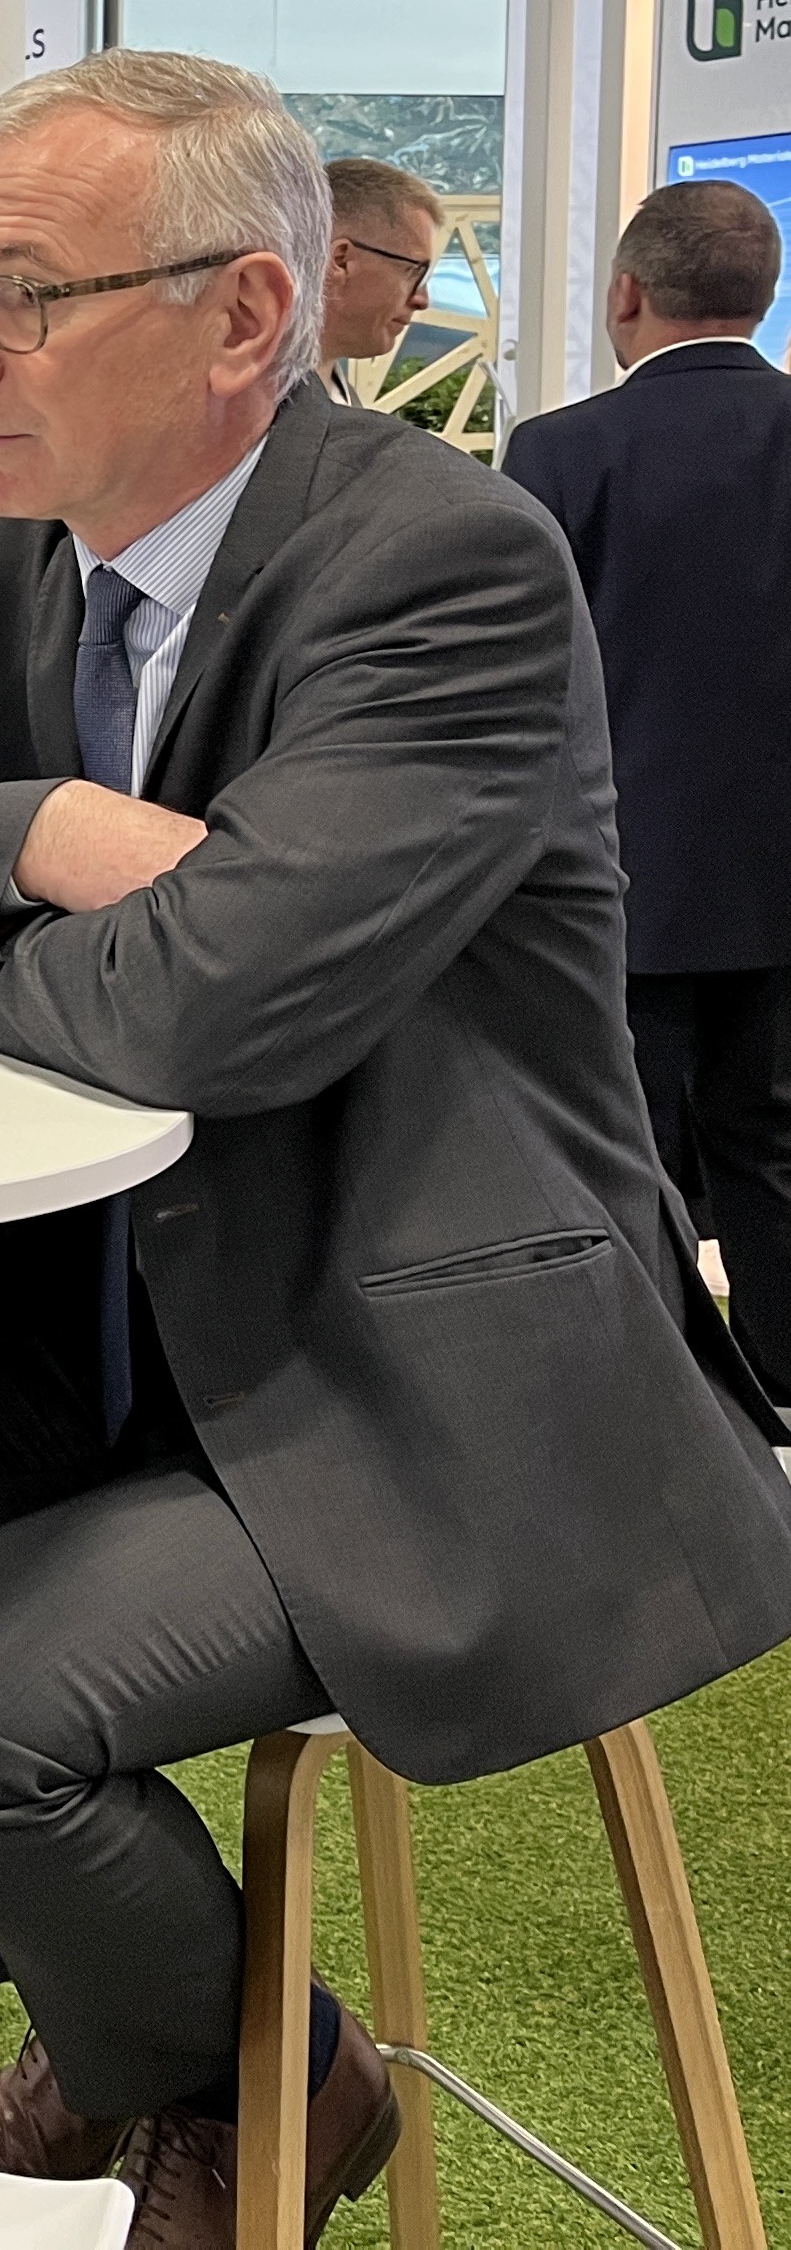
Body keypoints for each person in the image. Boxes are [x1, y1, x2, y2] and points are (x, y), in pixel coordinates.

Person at [0, 51, 791, 2250]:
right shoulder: (27, 556)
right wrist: (47, 829)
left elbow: (205, 1011)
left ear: (246, 318)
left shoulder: (448, 563)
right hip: (125, 1318)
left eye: (18, 297)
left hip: (422, 1370)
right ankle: (239, 2059)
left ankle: (211, 2102)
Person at [504, 177, 791, 1406]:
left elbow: (513, 675)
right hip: (782, 883)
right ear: (762, 297)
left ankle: (650, 1393)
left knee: (622, 1145)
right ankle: (782, 1383)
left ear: (626, 295)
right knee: (774, 1139)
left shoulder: (561, 454)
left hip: (617, 878)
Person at [315, 157, 442, 399]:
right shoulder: (250, 407)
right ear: (341, 261)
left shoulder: (337, 393)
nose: (422, 299)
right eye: (414, 270)